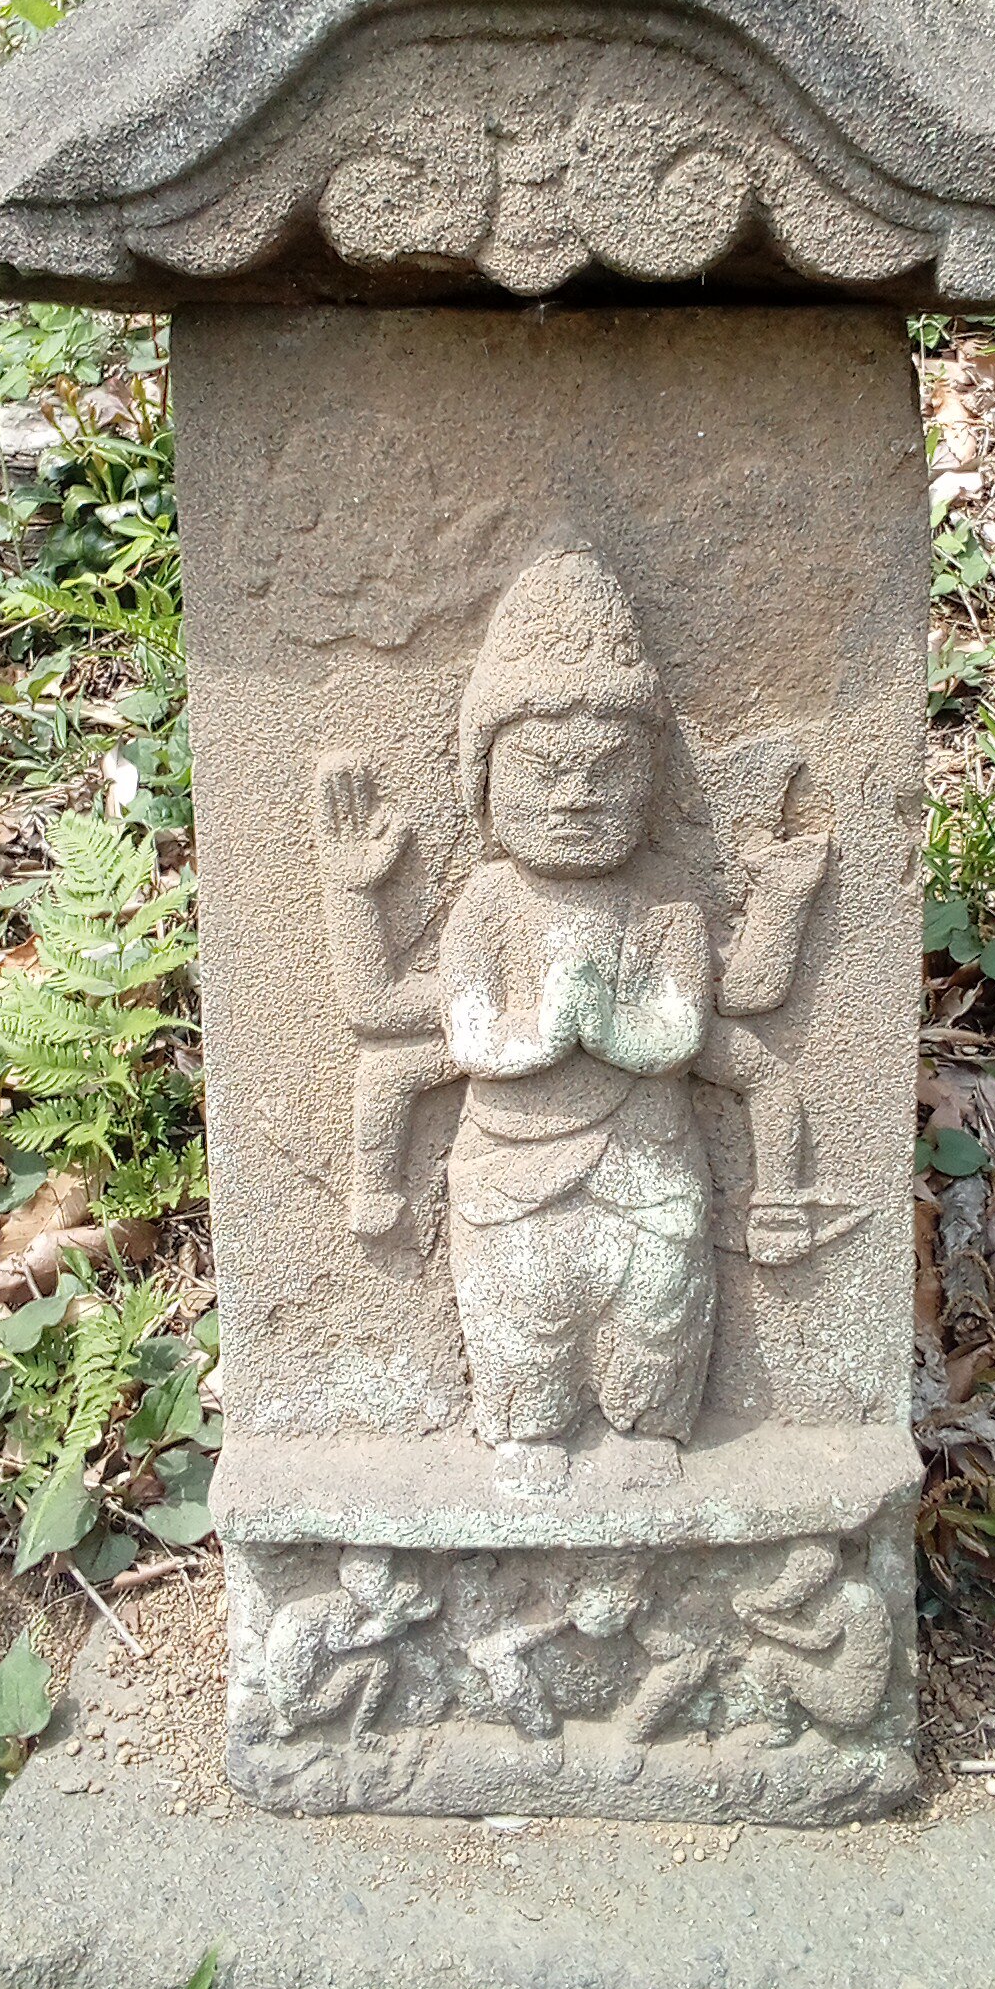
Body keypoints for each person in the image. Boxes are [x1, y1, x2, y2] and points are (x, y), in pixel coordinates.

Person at [313, 544, 844, 1447]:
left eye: (609, 771)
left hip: (652, 1171)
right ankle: (527, 1447)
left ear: (653, 784)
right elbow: (389, 1011)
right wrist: (353, 891)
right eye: (540, 770)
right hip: (508, 1175)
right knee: (524, 1348)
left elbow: (732, 1006)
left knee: (659, 1328)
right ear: (486, 784)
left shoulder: (665, 903)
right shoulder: (490, 902)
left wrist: (783, 900)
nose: (575, 797)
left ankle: (651, 1442)